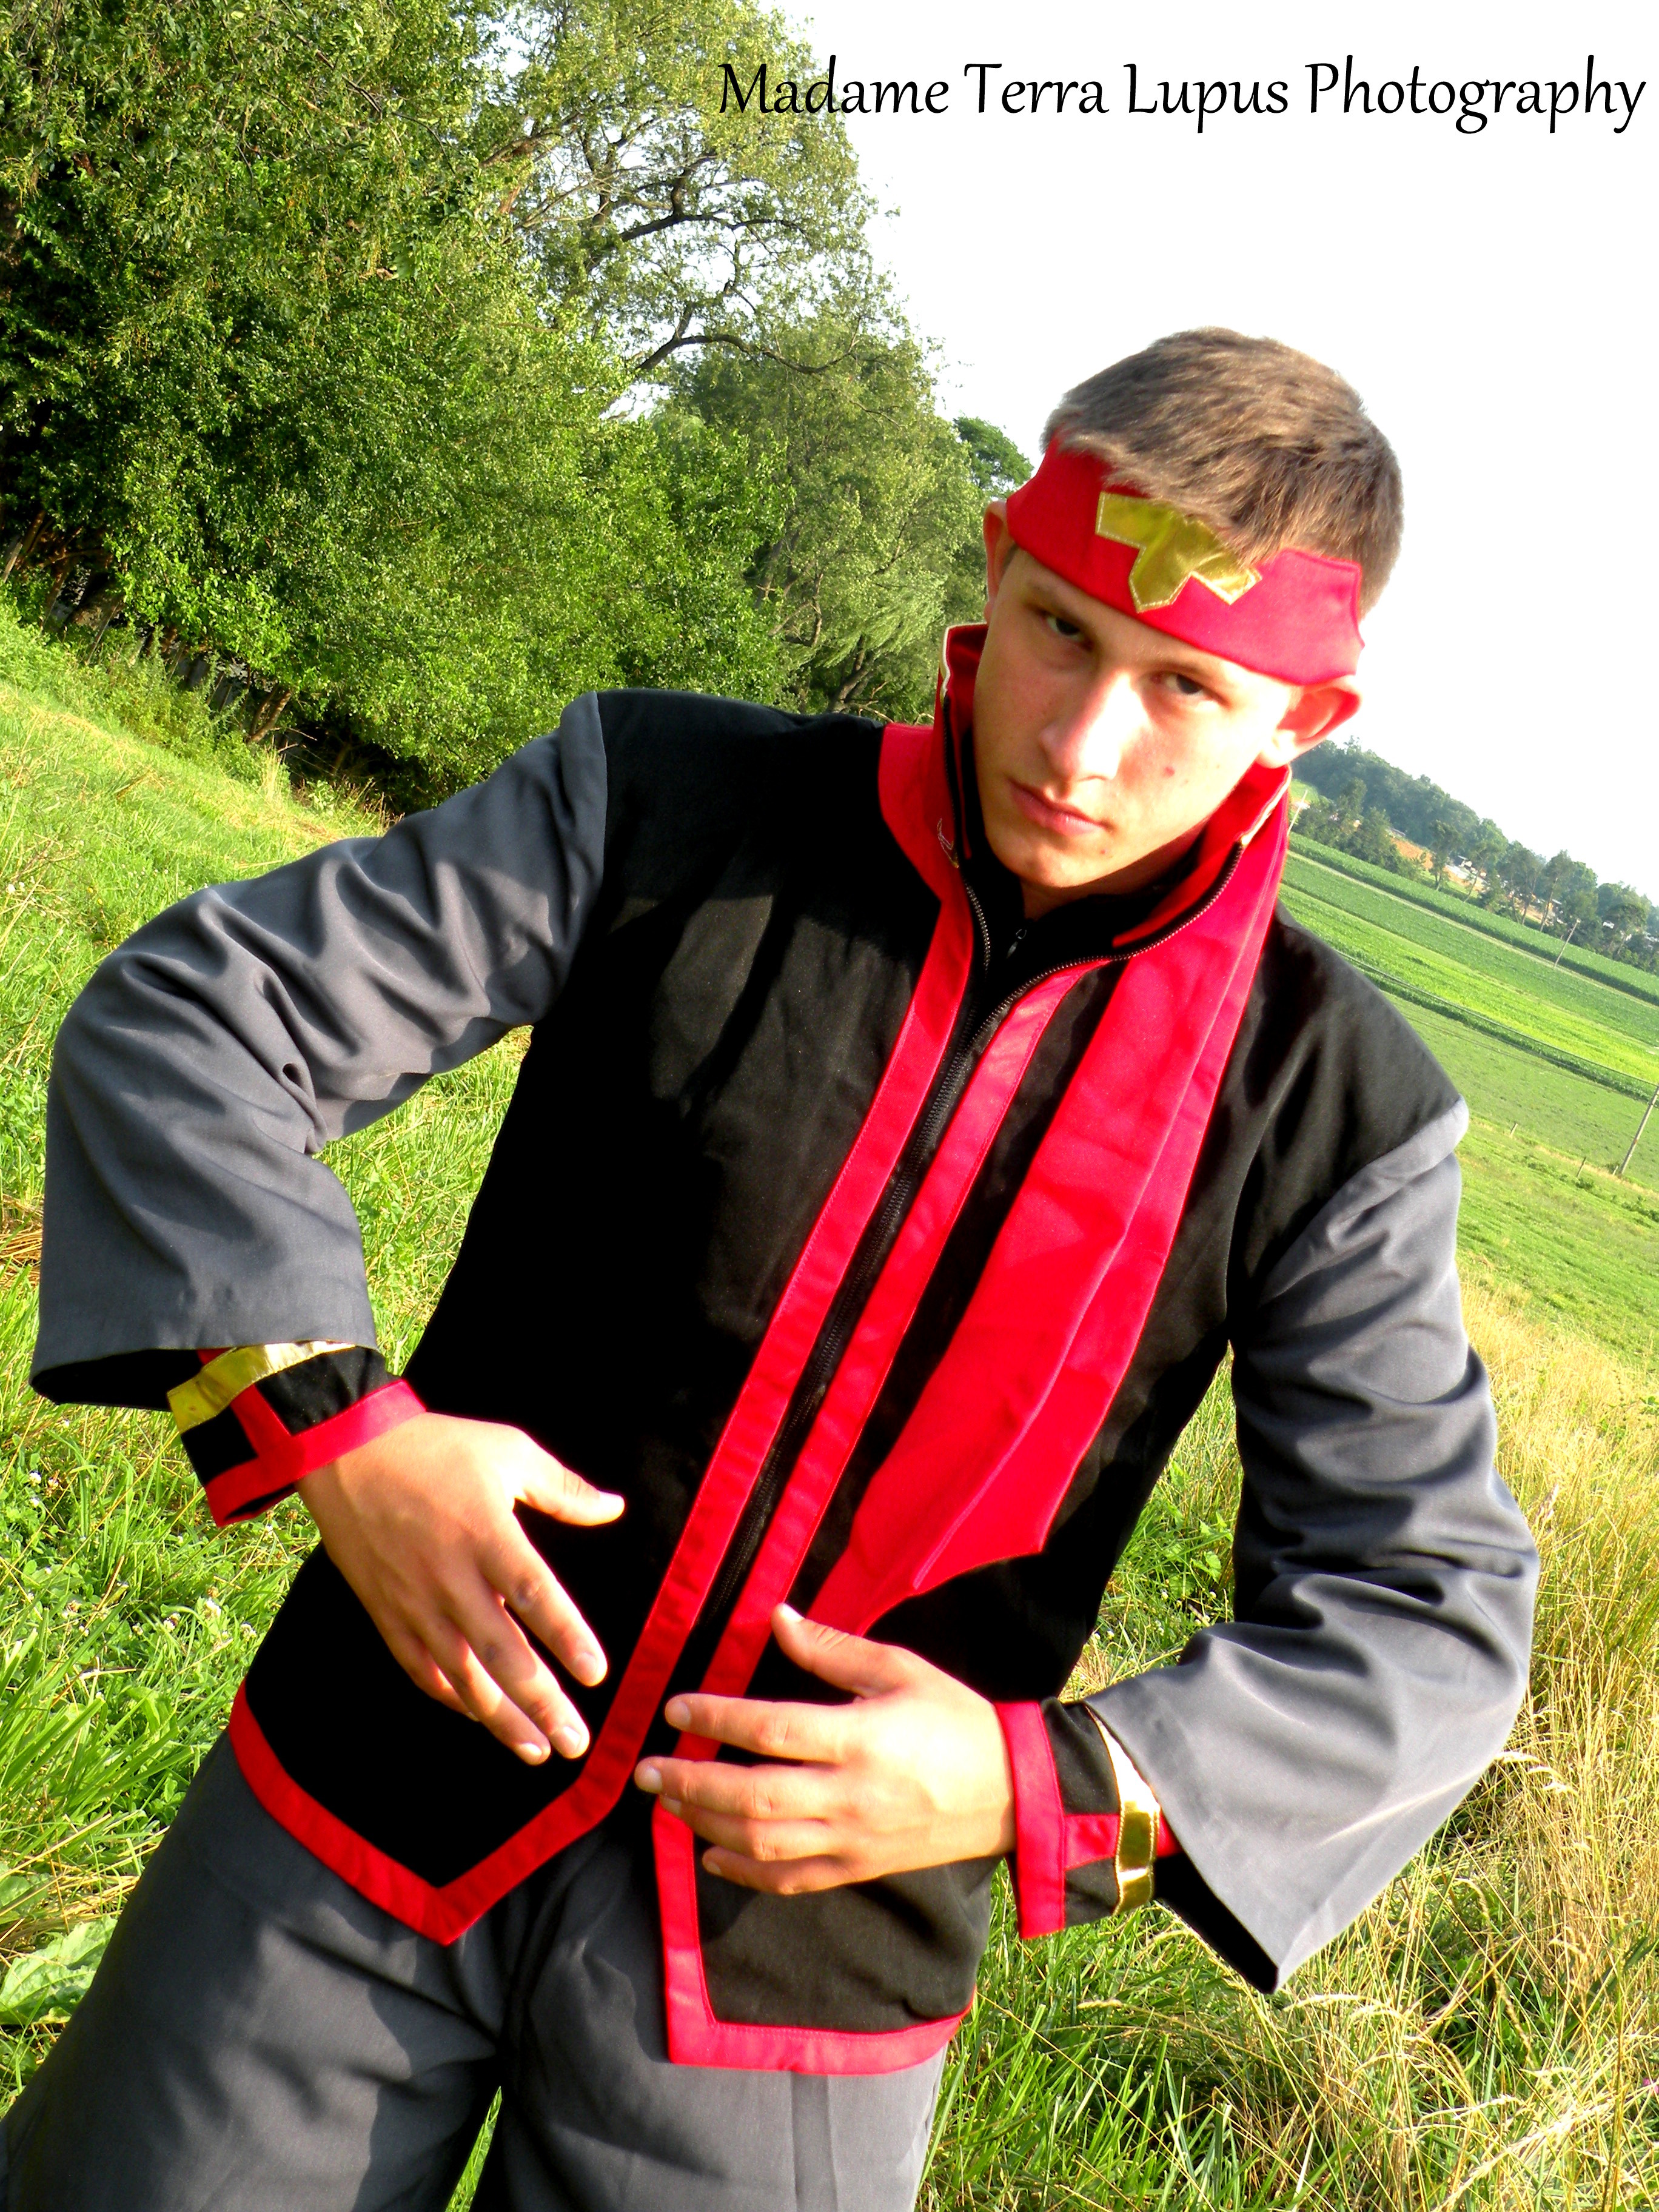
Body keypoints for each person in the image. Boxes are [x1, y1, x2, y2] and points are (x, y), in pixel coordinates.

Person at [1, 329, 1537, 2211]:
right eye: (1060, 632)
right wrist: (340, 1433)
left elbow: (1425, 1609)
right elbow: (204, 1019)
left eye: (1185, 689)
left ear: (1305, 722)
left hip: (802, 1984)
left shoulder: (1338, 1111)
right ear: (998, 562)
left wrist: (1024, 1786)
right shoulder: (661, 796)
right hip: (362, 1801)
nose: (1081, 744)